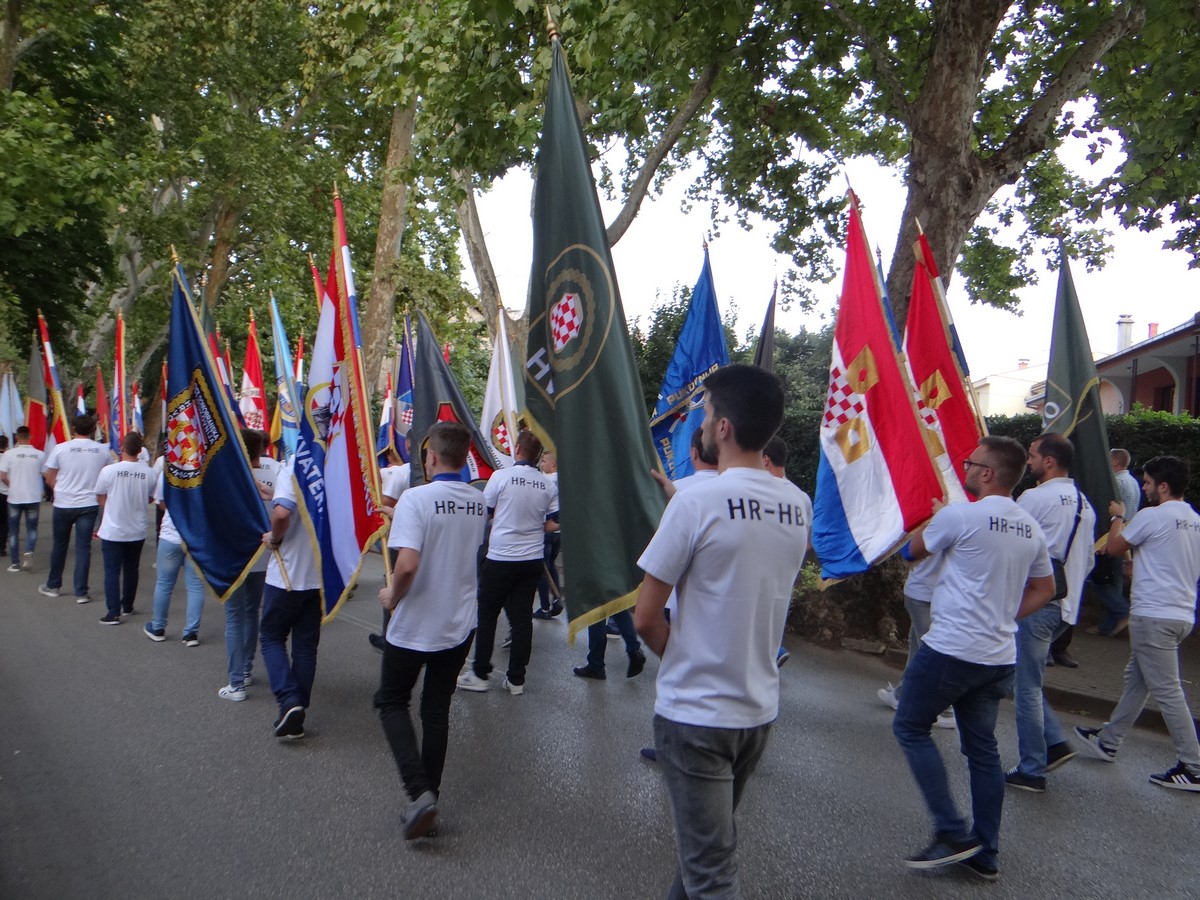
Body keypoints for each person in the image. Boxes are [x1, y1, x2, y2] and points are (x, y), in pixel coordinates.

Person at [634, 365, 811, 899]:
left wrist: (686, 658)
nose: (704, 423)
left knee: (710, 874)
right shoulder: (798, 505)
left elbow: (645, 617)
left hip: (697, 715)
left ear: (725, 428)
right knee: (702, 857)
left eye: (707, 413)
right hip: (757, 711)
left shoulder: (694, 502)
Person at [894, 436, 1054, 880]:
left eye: (972, 462)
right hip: (998, 654)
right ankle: (986, 852)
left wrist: (933, 518)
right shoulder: (1030, 527)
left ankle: (951, 831)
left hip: (951, 649)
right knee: (982, 751)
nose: (966, 467)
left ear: (987, 473)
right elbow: (1045, 589)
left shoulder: (960, 515)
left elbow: (910, 553)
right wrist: (1005, 614)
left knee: (909, 726)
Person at [375, 422, 487, 840]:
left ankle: (419, 792)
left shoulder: (415, 499)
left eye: (425, 454)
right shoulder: (477, 501)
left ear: (432, 457)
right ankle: (430, 797)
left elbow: (407, 564)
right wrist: (398, 516)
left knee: (390, 701)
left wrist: (392, 596)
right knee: (436, 709)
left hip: (415, 623)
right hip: (459, 623)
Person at [1073, 455, 1200, 791]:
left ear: (1163, 486)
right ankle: (1109, 739)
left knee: (1168, 691)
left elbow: (1114, 548)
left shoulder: (1151, 516)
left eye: (1146, 483)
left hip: (1153, 614)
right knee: (1138, 680)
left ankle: (1194, 765)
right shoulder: (1194, 519)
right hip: (1181, 613)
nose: (1143, 489)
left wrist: (1118, 517)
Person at [1007, 433, 1096, 792]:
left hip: (1037, 603)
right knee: (1027, 680)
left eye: (1031, 456)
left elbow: (1010, 543)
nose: (1027, 462)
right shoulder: (1085, 504)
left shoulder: (1034, 497)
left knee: (1025, 686)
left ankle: (1032, 768)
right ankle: (1053, 744)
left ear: (1048, 461)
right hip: (1065, 607)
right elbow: (1087, 560)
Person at [457, 430, 558, 696]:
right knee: (522, 619)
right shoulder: (547, 484)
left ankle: (480, 673)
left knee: (488, 615)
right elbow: (554, 522)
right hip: (532, 560)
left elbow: (485, 514)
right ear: (538, 456)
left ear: (516, 450)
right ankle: (516, 680)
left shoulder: (500, 477)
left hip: (501, 557)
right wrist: (536, 526)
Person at [260, 458, 322, 739]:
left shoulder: (295, 465)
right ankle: (297, 711)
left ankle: (289, 701)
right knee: (306, 646)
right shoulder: (339, 464)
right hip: (320, 575)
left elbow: (284, 513)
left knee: (271, 636)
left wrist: (274, 537)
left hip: (287, 573)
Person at [217, 429, 278, 699]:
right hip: (263, 553)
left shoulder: (229, 475)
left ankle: (236, 683)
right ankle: (245, 672)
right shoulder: (277, 469)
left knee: (234, 616)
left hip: (235, 555)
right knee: (251, 613)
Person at [876, 553, 958, 730]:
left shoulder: (943, 525)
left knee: (929, 652)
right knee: (917, 645)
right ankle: (902, 694)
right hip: (935, 591)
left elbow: (911, 552)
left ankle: (946, 710)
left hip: (926, 591)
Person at [40, 415, 109, 602]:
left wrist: (60, 489)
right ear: (94, 429)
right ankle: (81, 592)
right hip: (89, 503)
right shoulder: (102, 451)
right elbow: (107, 476)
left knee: (60, 545)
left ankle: (53, 585)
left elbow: (48, 476)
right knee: (83, 548)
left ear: (73, 427)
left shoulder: (61, 448)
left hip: (63, 503)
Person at [94, 432, 155, 625]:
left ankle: (113, 611)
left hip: (113, 528)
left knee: (112, 570)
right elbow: (151, 497)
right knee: (131, 568)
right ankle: (127, 605)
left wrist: (110, 508)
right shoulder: (149, 472)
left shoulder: (109, 471)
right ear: (140, 451)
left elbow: (100, 494)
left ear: (122, 448)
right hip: (136, 528)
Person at [144, 467, 207, 645]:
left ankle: (158, 627)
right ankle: (191, 633)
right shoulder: (207, 470)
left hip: (171, 534)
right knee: (195, 586)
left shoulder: (170, 469)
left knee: (164, 583)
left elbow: (161, 502)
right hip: (197, 537)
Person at [1087, 448, 1141, 636]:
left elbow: (1115, 514)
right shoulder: (1133, 482)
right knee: (1114, 581)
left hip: (1112, 538)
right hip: (1126, 538)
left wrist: (1103, 542)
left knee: (1099, 580)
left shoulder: (1116, 483)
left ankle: (1121, 612)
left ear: (1116, 462)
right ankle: (1109, 625)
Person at [369, 443, 412, 651]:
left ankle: (390, 636)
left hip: (403, 537)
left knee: (395, 582)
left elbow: (386, 503)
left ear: (409, 445)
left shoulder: (404, 472)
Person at [1, 427, 44, 573]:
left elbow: (2, 475)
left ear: (17, 437)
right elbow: (45, 473)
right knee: (32, 528)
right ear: (30, 436)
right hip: (32, 496)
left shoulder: (9, 454)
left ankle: (15, 563)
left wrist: (11, 485)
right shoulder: (39, 454)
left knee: (14, 530)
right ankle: (29, 551)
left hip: (15, 496)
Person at [533, 450, 564, 619]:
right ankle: (556, 599)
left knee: (541, 570)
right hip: (558, 531)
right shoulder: (564, 481)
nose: (541, 464)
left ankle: (545, 607)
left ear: (552, 464)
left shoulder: (547, 480)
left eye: (544, 461)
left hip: (546, 529)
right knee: (551, 566)